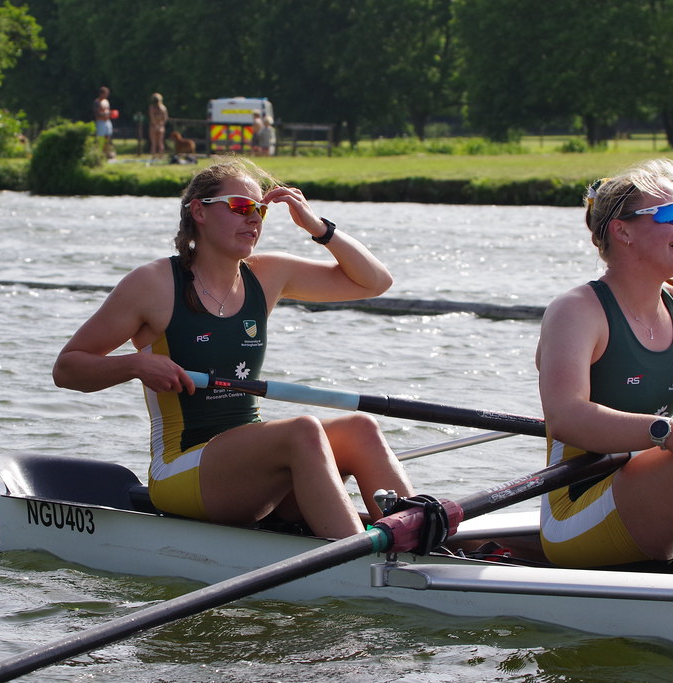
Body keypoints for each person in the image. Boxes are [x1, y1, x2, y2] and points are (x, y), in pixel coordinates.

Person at [53, 159, 414, 539]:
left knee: (360, 428)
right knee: (303, 430)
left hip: (251, 467)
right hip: (181, 469)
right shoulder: (153, 284)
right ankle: (356, 556)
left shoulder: (267, 275)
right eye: (241, 207)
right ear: (199, 212)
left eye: (260, 210)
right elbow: (68, 368)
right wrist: (135, 366)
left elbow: (375, 282)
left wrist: (319, 229)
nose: (254, 219)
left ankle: (421, 540)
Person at [536, 158, 673, 576]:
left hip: (643, 487)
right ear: (621, 231)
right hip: (576, 506)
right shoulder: (577, 311)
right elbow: (566, 418)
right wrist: (669, 432)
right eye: (671, 214)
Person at [93, 86, 114, 158]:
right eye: (106, 93)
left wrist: (110, 114)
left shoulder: (106, 101)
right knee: (100, 138)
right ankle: (99, 153)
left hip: (107, 121)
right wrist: (105, 114)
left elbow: (108, 110)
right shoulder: (97, 102)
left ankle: (106, 153)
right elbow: (97, 113)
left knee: (107, 137)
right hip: (100, 122)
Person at [148, 92, 168, 160]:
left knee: (153, 143)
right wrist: (160, 125)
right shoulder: (163, 108)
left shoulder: (151, 107)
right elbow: (165, 118)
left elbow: (152, 117)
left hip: (153, 126)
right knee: (160, 142)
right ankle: (161, 156)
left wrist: (156, 125)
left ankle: (153, 157)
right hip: (161, 127)